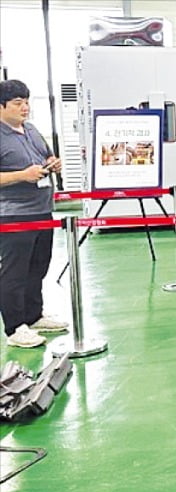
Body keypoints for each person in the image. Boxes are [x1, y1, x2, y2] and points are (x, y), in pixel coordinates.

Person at [0, 79, 68, 348]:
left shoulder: (31, 131)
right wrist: (22, 175)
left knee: (38, 267)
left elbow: (44, 157)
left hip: (42, 209)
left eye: (27, 102)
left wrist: (53, 164)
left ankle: (34, 315)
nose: (25, 108)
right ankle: (15, 327)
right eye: (18, 103)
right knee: (14, 272)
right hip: (13, 215)